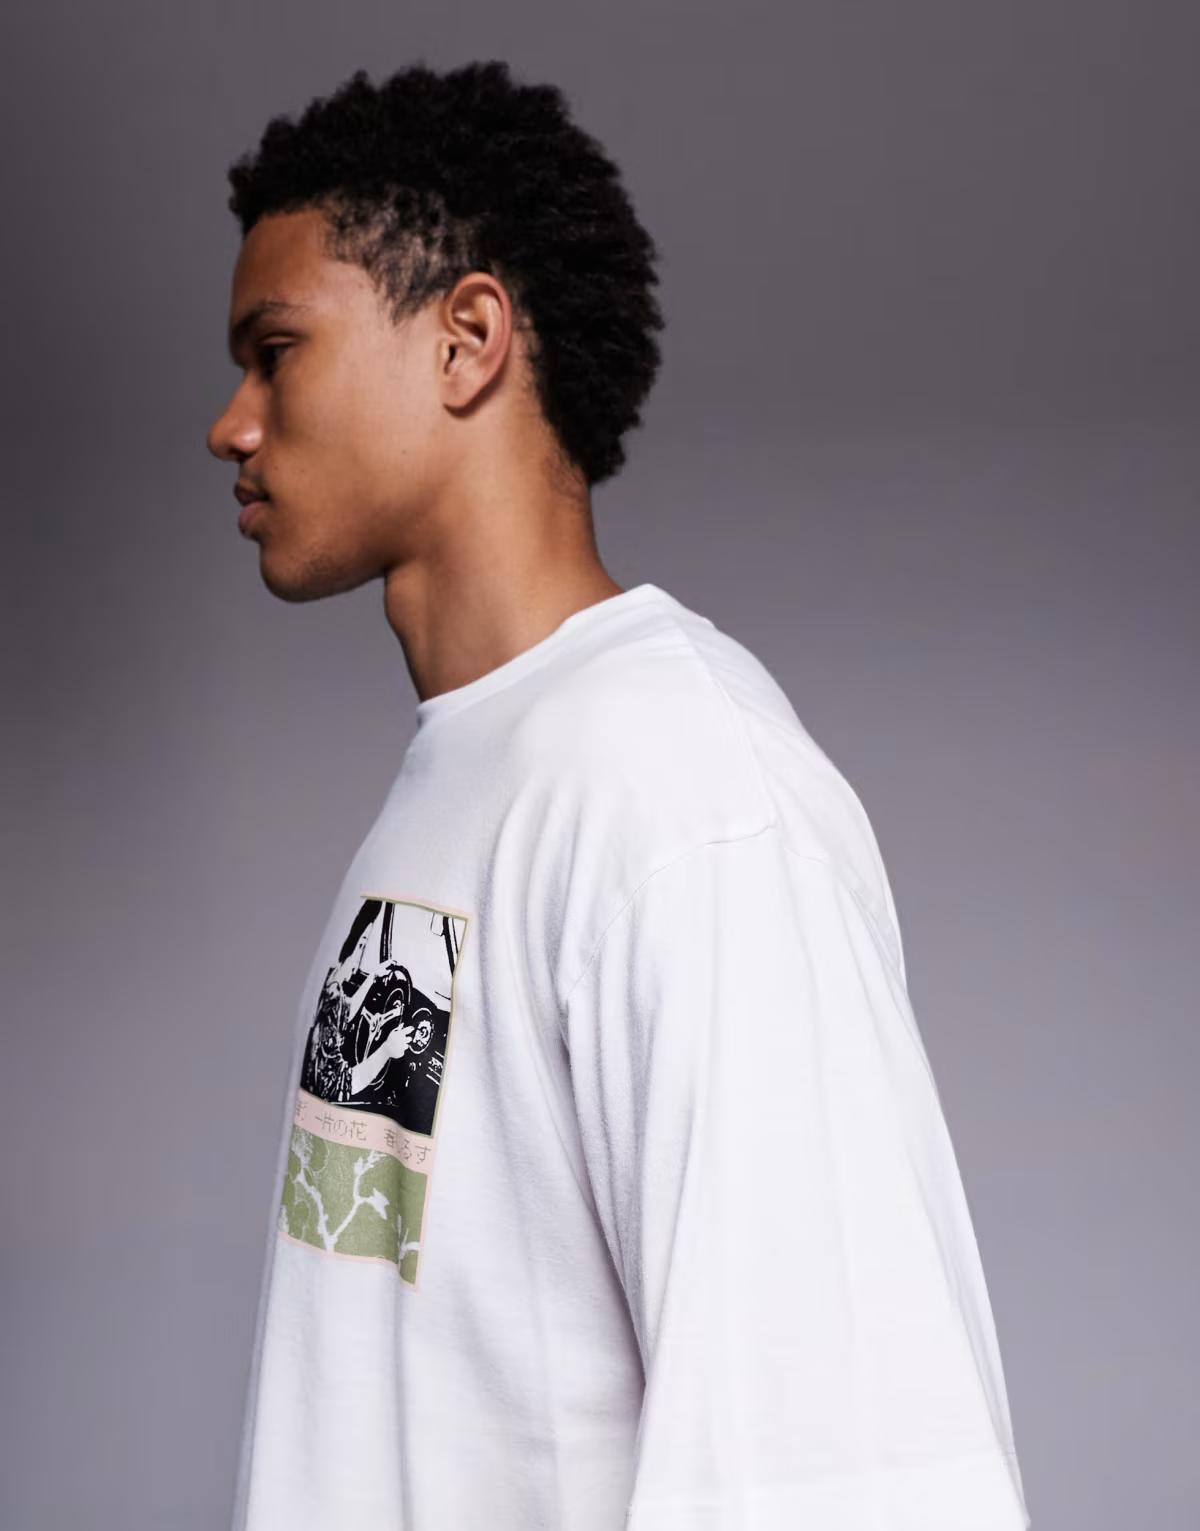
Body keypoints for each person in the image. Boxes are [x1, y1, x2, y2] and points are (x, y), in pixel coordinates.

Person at [207, 59, 1032, 1531]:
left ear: (467, 340)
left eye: (276, 353)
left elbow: (844, 1471)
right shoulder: (471, 779)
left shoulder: (678, 792)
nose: (233, 423)